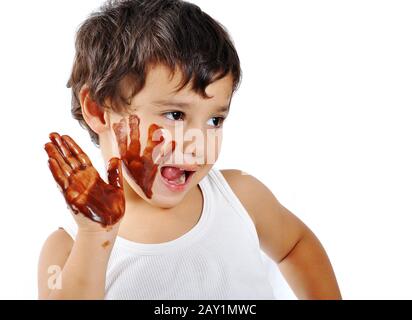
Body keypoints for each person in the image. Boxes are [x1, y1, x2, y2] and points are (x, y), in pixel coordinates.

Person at [38, 0, 341, 300]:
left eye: (214, 120)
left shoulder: (240, 198)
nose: (197, 144)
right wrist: (95, 239)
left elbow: (295, 245)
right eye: (175, 115)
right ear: (99, 110)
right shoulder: (68, 248)